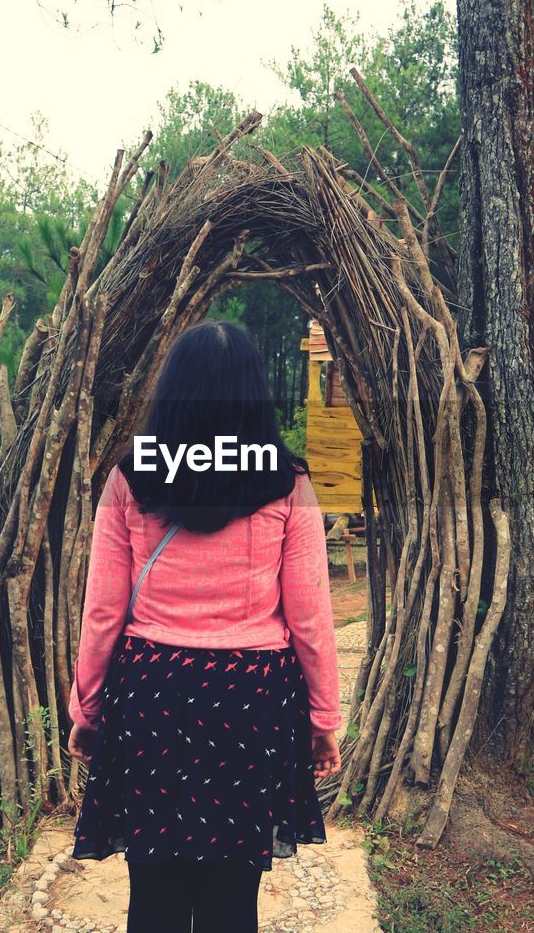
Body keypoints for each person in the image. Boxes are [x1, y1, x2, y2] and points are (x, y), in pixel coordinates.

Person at [67, 320, 342, 933]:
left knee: (154, 894)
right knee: (231, 898)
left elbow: (104, 612)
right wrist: (323, 722)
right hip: (250, 702)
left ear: (173, 393)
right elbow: (311, 620)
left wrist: (87, 711)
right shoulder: (287, 483)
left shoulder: (130, 479)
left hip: (150, 699)